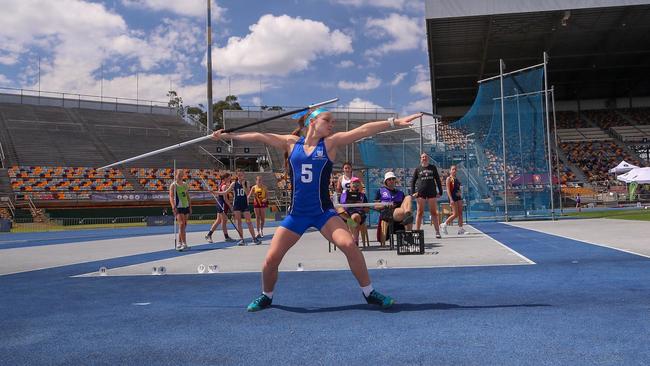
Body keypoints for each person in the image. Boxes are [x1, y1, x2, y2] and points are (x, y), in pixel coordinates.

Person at [212, 108, 423, 311]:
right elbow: (260, 135)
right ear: (312, 122)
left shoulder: (329, 144)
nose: (332, 124)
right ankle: (266, 295)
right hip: (297, 215)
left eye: (333, 122)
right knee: (270, 259)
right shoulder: (291, 143)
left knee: (350, 245)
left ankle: (369, 292)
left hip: (323, 213)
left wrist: (393, 122)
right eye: (328, 120)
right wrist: (229, 135)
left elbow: (362, 130)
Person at [215, 171, 260, 245]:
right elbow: (226, 192)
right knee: (238, 222)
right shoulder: (234, 183)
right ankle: (242, 239)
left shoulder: (246, 183)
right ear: (237, 176)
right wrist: (215, 192)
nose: (240, 177)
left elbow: (248, 193)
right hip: (237, 205)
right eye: (239, 175)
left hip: (244, 204)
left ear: (243, 175)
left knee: (249, 222)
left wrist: (243, 185)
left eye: (241, 175)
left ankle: (254, 238)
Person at [410, 153, 443, 238]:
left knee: (434, 213)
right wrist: (413, 192)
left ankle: (437, 232)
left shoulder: (433, 167)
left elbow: (438, 180)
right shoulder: (418, 169)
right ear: (420, 159)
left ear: (428, 158)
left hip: (432, 192)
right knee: (419, 212)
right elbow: (413, 181)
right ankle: (416, 232)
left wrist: (440, 192)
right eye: (422, 157)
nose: (424, 158)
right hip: (421, 193)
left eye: (425, 157)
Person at [375, 172, 414, 242]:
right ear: (386, 181)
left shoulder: (400, 193)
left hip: (399, 211)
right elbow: (376, 206)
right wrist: (386, 204)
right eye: (389, 179)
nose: (392, 180)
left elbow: (405, 204)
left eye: (393, 179)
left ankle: (407, 215)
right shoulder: (380, 191)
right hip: (387, 212)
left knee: (408, 197)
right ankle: (408, 235)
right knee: (405, 214)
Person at [338, 177, 369, 246]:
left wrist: (361, 207)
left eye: (357, 183)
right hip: (346, 215)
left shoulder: (362, 196)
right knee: (340, 210)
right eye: (354, 183)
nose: (355, 185)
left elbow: (367, 209)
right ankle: (355, 239)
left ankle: (354, 239)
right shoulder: (344, 194)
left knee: (355, 217)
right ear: (350, 184)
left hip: (358, 214)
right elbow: (340, 207)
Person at [205, 172, 234, 243]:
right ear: (225, 178)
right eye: (229, 177)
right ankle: (226, 237)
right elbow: (225, 198)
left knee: (218, 221)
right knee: (224, 221)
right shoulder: (224, 186)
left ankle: (209, 235)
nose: (230, 179)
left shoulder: (222, 185)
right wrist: (231, 207)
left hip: (220, 203)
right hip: (223, 204)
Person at [168, 169, 191, 251]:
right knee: (181, 224)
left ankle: (179, 243)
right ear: (176, 175)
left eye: (182, 174)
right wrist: (173, 206)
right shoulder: (173, 185)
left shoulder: (185, 184)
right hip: (178, 206)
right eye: (179, 174)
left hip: (186, 206)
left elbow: (187, 196)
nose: (181, 176)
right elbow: (171, 196)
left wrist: (190, 206)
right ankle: (184, 243)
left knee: (184, 225)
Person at [441, 165, 465, 235]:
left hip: (458, 198)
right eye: (453, 169)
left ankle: (460, 229)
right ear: (450, 171)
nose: (454, 170)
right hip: (452, 198)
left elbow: (458, 189)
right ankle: (444, 224)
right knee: (455, 214)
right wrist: (451, 199)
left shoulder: (457, 179)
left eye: (455, 169)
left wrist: (459, 193)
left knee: (460, 213)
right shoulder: (449, 178)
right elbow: (448, 190)